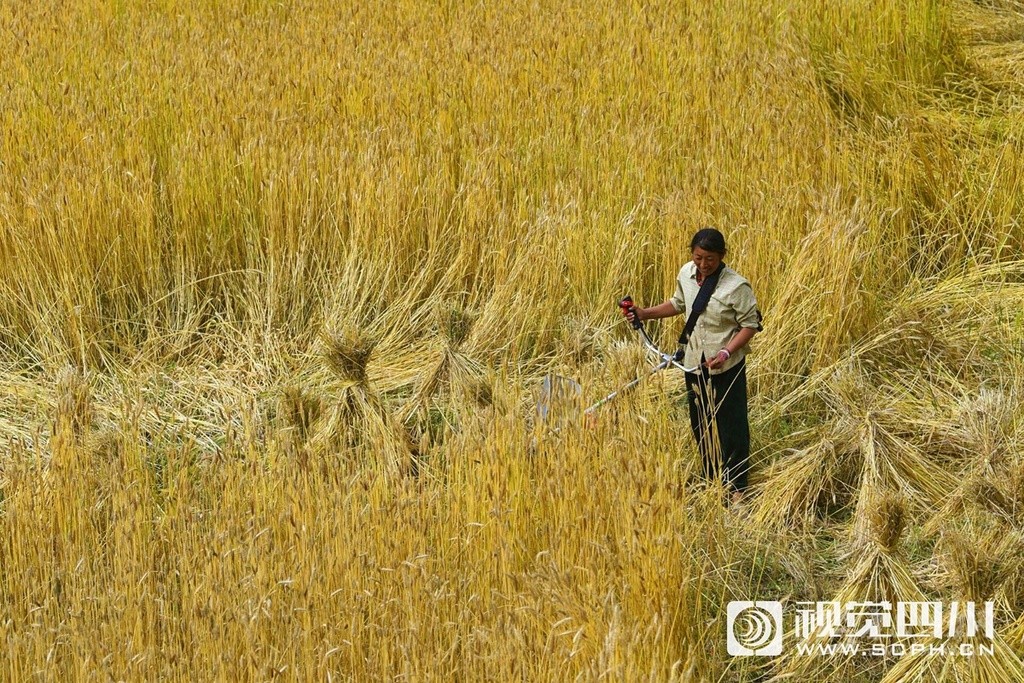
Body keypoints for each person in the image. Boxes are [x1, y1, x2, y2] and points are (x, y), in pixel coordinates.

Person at [624, 228, 761, 504]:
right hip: (694, 364)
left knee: (731, 427)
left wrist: (726, 352)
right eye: (698, 257)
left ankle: (737, 488)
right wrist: (645, 313)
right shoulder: (686, 273)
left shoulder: (736, 287)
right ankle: (711, 478)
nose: (703, 264)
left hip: (725, 367)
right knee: (701, 424)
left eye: (710, 259)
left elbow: (750, 325)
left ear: (722, 256)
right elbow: (678, 304)